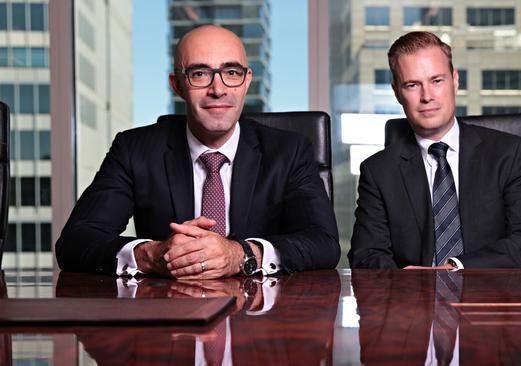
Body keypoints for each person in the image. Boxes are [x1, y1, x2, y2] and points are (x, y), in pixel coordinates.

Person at [56, 25, 339, 278]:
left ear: (247, 80)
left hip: (259, 319)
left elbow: (323, 243)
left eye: (231, 73)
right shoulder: (134, 150)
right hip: (168, 319)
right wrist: (152, 255)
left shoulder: (289, 151)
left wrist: (241, 255)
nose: (218, 89)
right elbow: (75, 242)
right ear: (177, 84)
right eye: (200, 73)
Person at [349, 31, 521, 269]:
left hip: (493, 297)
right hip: (411, 301)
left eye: (437, 81)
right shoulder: (378, 171)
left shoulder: (508, 154)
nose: (427, 96)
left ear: (455, 81)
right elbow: (366, 256)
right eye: (412, 85)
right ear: (397, 92)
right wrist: (404, 283)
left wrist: (457, 268)